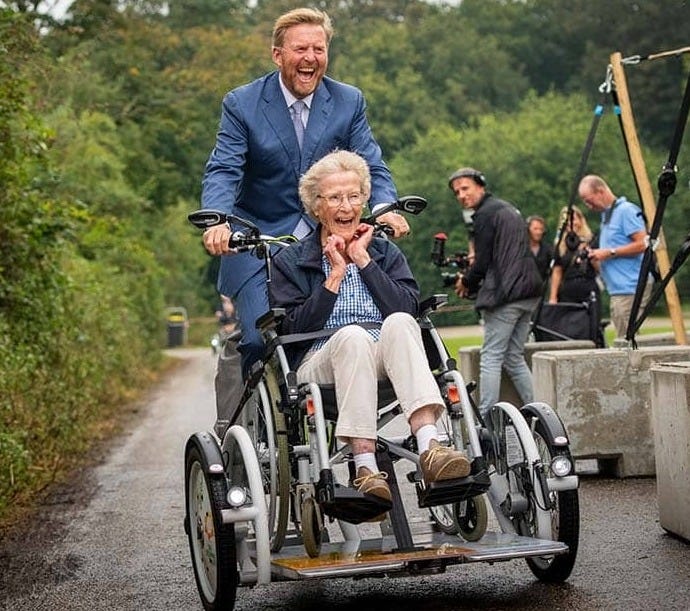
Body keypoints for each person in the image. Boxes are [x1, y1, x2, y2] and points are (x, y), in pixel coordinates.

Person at [199, 8, 407, 424]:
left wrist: (385, 205)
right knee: (261, 338)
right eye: (300, 49)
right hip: (260, 241)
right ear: (278, 55)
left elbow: (372, 162)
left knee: (359, 324)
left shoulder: (348, 100)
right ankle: (248, 432)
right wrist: (218, 219)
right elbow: (225, 167)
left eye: (319, 48)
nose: (310, 56)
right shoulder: (242, 104)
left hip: (325, 237)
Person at [270, 151, 471, 512]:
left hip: (385, 359)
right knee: (352, 336)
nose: (345, 206)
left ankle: (431, 447)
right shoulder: (290, 261)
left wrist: (363, 261)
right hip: (320, 360)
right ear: (316, 207)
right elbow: (291, 328)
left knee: (398, 322)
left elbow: (407, 310)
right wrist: (333, 276)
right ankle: (364, 467)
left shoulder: (382, 251)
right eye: (334, 198)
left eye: (353, 196)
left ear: (364, 200)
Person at [449, 168, 542, 418]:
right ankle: (541, 411)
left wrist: (466, 281)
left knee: (491, 357)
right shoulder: (508, 209)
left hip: (507, 295)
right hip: (529, 292)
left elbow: (482, 262)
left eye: (465, 188)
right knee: (513, 357)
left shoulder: (485, 215)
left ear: (481, 186)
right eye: (457, 192)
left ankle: (487, 419)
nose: (461, 195)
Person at [578, 174, 652, 338]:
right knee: (623, 338)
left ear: (601, 191)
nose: (588, 206)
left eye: (589, 200)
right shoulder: (607, 216)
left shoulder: (625, 211)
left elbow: (643, 244)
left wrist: (610, 252)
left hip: (630, 285)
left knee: (628, 341)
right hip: (618, 288)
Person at [548, 206, 600, 306]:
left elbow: (600, 269)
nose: (570, 224)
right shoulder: (559, 245)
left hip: (588, 288)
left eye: (573, 219)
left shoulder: (592, 240)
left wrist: (591, 255)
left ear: (580, 220)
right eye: (566, 221)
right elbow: (557, 271)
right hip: (567, 290)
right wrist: (553, 297)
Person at [526, 215, 553, 282]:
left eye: (541, 229)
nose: (538, 232)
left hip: (542, 287)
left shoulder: (548, 250)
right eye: (535, 229)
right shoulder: (521, 248)